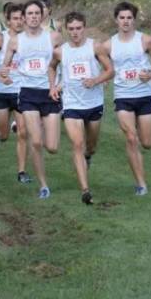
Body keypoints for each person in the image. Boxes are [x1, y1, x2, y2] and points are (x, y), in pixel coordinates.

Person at [48, 12, 114, 205]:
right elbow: (51, 68)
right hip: (72, 104)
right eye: (71, 29)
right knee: (77, 144)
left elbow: (110, 70)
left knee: (90, 146)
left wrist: (95, 80)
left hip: (94, 103)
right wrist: (53, 86)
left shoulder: (95, 46)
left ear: (84, 27)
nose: (75, 32)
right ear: (67, 30)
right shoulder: (60, 51)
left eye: (78, 28)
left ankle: (88, 156)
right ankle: (85, 190)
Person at [0, 0, 63, 199]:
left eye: (37, 13)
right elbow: (5, 65)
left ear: (42, 15)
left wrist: (59, 85)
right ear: (25, 17)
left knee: (51, 147)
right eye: (30, 14)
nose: (34, 17)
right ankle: (43, 185)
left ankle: (44, 128)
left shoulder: (53, 37)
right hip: (27, 93)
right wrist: (5, 72)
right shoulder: (16, 41)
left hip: (49, 93)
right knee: (35, 142)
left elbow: (67, 61)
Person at [103, 1, 151, 196]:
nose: (126, 21)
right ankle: (141, 183)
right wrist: (103, 81)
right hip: (123, 97)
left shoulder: (146, 40)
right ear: (116, 20)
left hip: (144, 95)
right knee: (130, 138)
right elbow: (105, 69)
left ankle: (140, 134)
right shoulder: (108, 45)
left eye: (129, 18)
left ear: (134, 20)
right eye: (122, 18)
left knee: (146, 143)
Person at [0, 3, 30, 184]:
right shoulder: (0, 39)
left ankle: (22, 171)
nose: (19, 22)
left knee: (23, 133)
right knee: (3, 136)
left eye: (22, 18)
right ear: (8, 21)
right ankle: (7, 124)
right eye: (15, 19)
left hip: (21, 91)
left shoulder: (29, 39)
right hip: (2, 91)